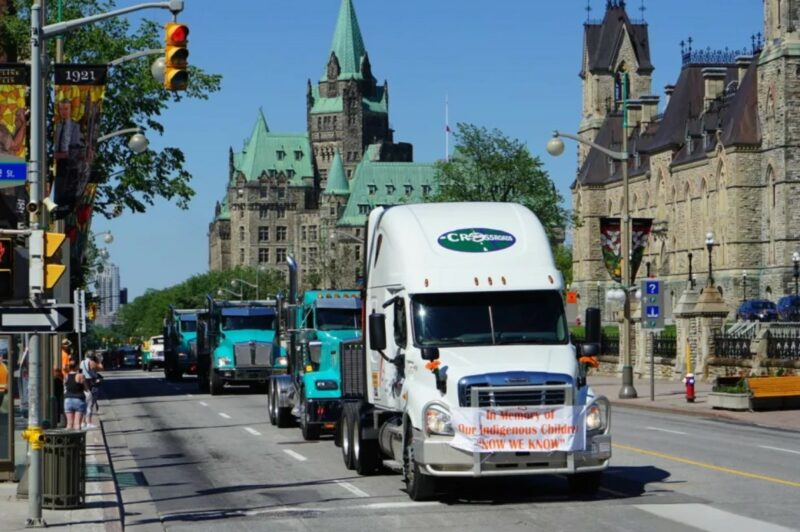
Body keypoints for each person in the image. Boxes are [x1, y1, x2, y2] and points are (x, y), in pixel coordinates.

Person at [80, 351, 103, 429]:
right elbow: (101, 368)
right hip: (91, 383)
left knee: (84, 403)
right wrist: (99, 361)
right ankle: (89, 422)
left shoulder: (82, 362)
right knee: (91, 404)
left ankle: (83, 422)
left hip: (84, 383)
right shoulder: (92, 363)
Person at [63, 359, 86, 430]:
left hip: (68, 400)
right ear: (77, 366)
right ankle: (77, 440)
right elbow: (86, 388)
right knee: (77, 424)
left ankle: (68, 440)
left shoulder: (66, 376)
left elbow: (65, 386)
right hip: (78, 400)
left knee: (69, 424)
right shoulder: (80, 376)